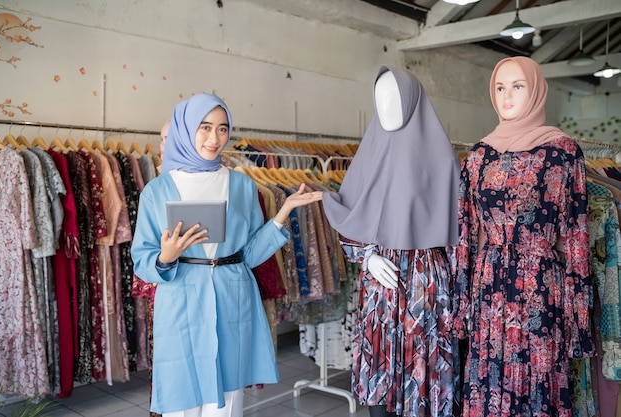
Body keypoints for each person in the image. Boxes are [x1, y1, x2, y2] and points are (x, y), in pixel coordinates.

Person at [130, 93, 323, 417]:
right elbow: (142, 260)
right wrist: (165, 256)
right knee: (183, 400)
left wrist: (282, 213)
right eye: (205, 127)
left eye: (222, 128)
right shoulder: (158, 190)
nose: (214, 138)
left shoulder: (241, 186)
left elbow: (247, 254)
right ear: (186, 128)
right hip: (181, 298)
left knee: (229, 401)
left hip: (233, 296)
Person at [453, 56, 595, 417]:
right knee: (489, 380)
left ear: (535, 90)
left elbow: (577, 236)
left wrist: (579, 318)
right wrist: (461, 304)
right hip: (489, 289)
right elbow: (464, 232)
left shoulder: (562, 152)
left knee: (537, 380)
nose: (507, 96)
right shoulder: (479, 155)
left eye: (518, 86)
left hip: (539, 289)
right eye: (500, 88)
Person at [322, 65, 460, 417]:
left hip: (424, 283)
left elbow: (460, 230)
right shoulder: (370, 152)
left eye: (393, 96)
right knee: (379, 390)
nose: (385, 105)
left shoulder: (442, 156)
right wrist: (366, 256)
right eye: (379, 97)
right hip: (380, 285)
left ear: (413, 99)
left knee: (422, 379)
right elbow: (351, 212)